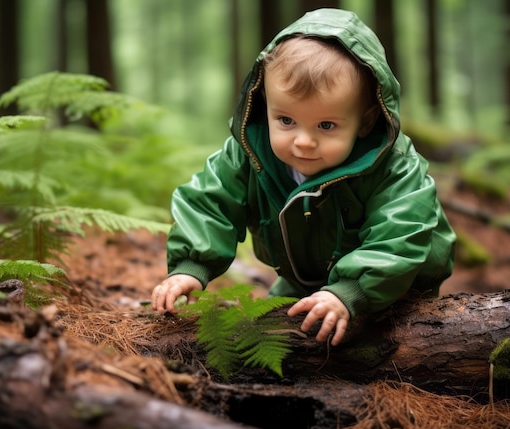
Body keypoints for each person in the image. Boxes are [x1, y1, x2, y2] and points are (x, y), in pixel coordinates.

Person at [152, 8, 456, 347]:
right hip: (305, 278)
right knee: (262, 339)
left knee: (366, 353)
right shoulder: (249, 153)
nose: (303, 141)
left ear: (367, 121)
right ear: (264, 102)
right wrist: (190, 266)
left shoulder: (393, 167)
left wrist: (349, 291)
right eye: (285, 121)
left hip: (396, 287)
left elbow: (401, 235)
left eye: (326, 126)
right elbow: (210, 203)